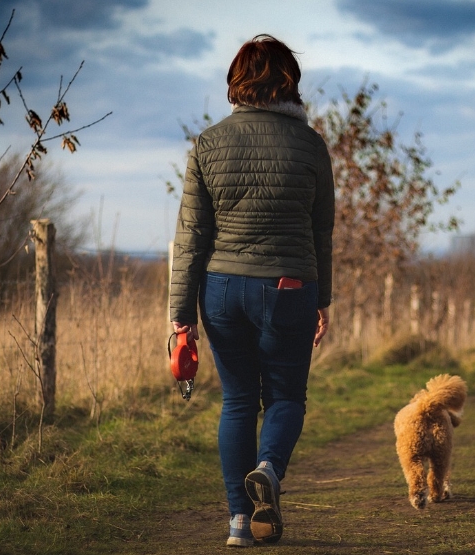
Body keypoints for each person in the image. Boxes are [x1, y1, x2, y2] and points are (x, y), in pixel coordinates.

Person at [169, 34, 334, 548]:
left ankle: (240, 522)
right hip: (288, 287)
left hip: (220, 291)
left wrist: (180, 315)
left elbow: (190, 235)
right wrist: (322, 297)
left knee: (238, 402)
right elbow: (321, 229)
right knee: (286, 396)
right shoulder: (311, 145)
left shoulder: (209, 143)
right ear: (290, 84)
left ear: (237, 83)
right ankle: (268, 469)